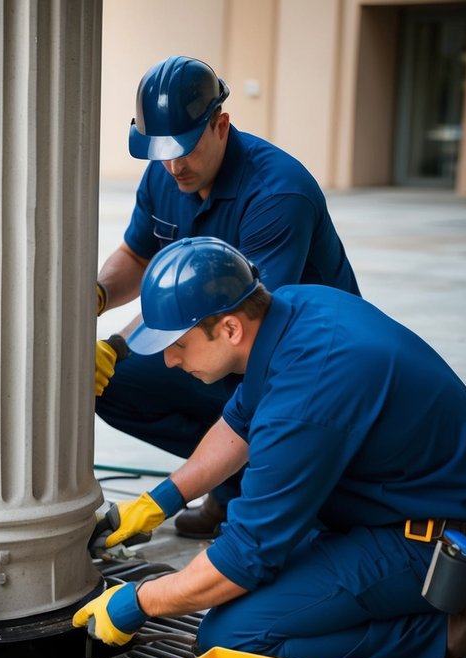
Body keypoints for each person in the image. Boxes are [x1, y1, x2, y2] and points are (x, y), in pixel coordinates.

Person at [75, 237, 466, 658]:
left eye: (178, 345)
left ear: (228, 329)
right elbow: (238, 426)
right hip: (402, 508)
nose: (169, 361)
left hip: (437, 540)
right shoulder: (295, 308)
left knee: (233, 639)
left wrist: (137, 603)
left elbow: (245, 557)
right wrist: (159, 500)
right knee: (244, 583)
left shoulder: (305, 397)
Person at [93, 55, 358, 539]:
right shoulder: (164, 172)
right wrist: (96, 302)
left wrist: (163, 498)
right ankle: (233, 481)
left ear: (221, 124)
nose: (174, 165)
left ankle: (260, 492)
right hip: (225, 332)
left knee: (231, 379)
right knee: (114, 383)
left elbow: (242, 325)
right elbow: (137, 254)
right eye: (161, 150)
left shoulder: (278, 192)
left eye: (185, 148)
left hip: (299, 354)